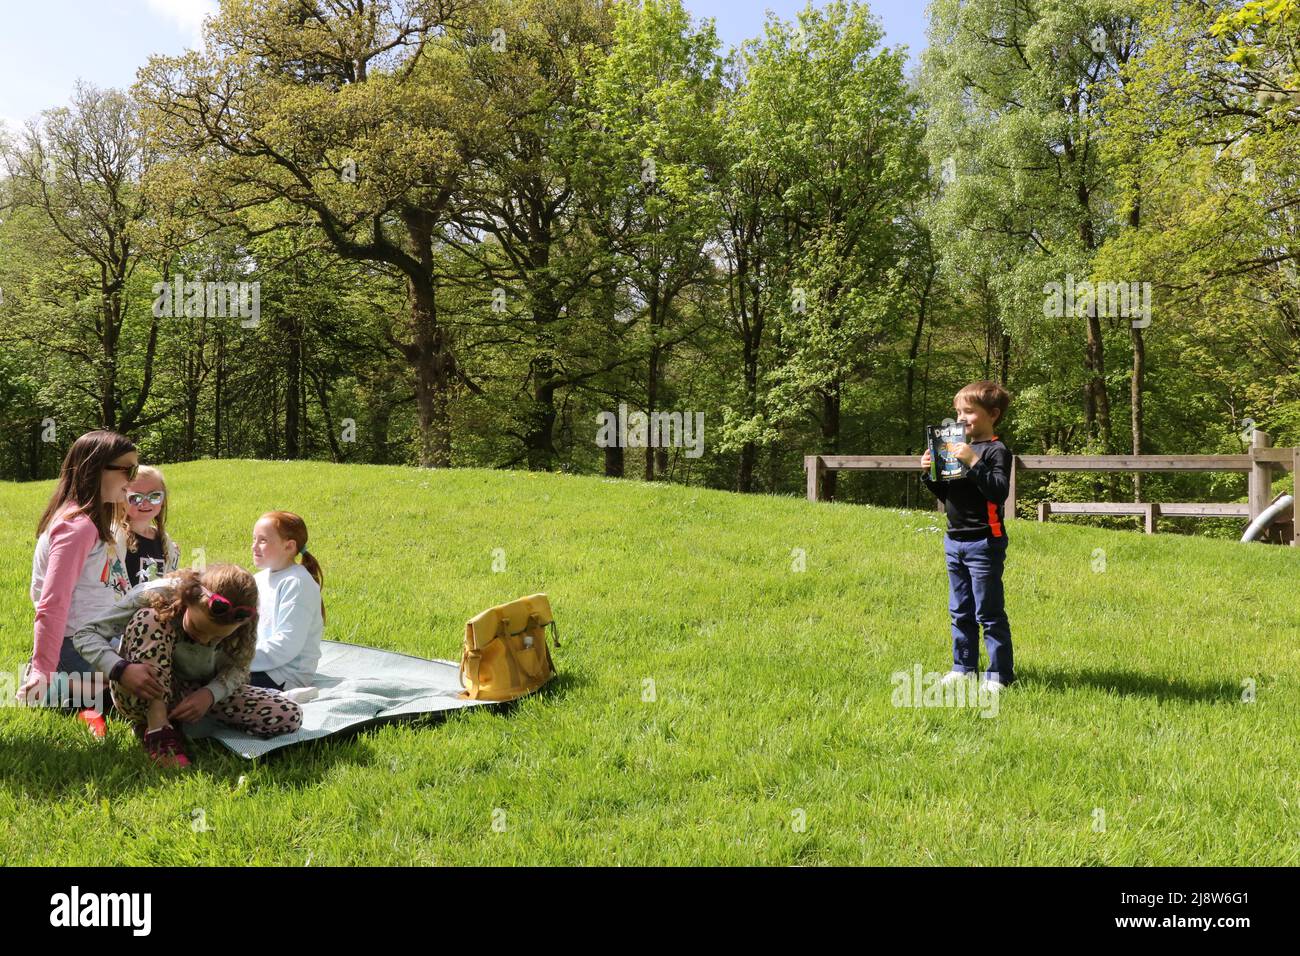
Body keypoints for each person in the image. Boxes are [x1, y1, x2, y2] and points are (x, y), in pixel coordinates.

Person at [108, 565, 303, 766]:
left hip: (195, 690)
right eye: (197, 628)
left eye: (216, 638)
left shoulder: (244, 625)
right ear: (188, 599)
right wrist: (120, 670)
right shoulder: (158, 599)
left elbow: (240, 669)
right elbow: (87, 633)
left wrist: (210, 695)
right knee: (149, 618)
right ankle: (157, 728)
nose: (204, 640)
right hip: (142, 690)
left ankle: (181, 726)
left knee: (289, 714)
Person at [20, 430, 136, 737]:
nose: (131, 479)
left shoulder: (96, 521)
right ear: (96, 468)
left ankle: (67, 689)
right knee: (153, 686)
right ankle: (50, 686)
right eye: (127, 470)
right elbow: (52, 601)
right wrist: (43, 667)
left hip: (102, 640)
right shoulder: (77, 527)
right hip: (78, 646)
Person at [920, 381, 1016, 690]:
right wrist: (928, 472)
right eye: (958, 412)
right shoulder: (956, 448)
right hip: (954, 540)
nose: (962, 418)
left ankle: (999, 674)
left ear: (993, 414)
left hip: (984, 541)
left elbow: (998, 492)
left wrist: (973, 461)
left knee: (988, 611)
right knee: (959, 609)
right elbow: (947, 493)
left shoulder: (997, 451)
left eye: (969, 412)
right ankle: (963, 667)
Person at [249, 511, 323, 692]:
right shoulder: (258, 579)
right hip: (257, 663)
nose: (254, 546)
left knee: (213, 687)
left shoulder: (297, 583)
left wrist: (238, 661)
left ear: (289, 547)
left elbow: (286, 645)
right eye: (254, 539)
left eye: (263, 541)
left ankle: (284, 700)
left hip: (284, 676)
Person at [116, 465, 180, 588]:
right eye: (136, 498)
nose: (145, 503)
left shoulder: (164, 541)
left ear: (163, 500)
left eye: (154, 496)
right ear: (121, 499)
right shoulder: (116, 538)